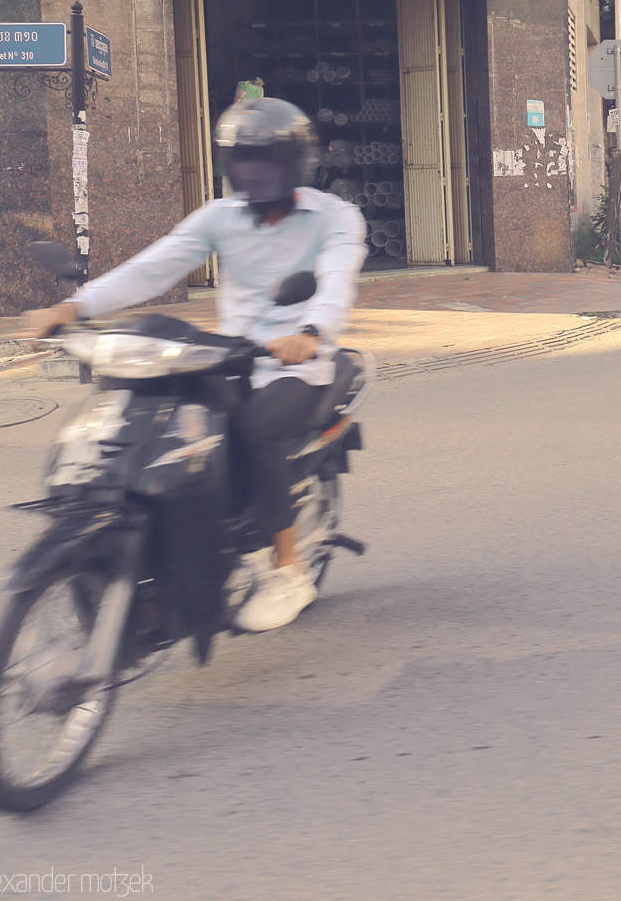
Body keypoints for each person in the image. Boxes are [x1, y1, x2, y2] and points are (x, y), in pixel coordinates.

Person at [21, 97, 367, 633]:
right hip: (228, 356)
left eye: (267, 161)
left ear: (296, 164)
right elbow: (153, 268)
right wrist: (74, 307)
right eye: (244, 161)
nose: (255, 173)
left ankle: (288, 569)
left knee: (254, 428)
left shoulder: (334, 216)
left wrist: (310, 332)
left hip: (297, 363)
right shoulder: (219, 216)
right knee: (165, 423)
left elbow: (338, 276)